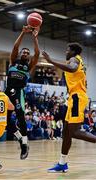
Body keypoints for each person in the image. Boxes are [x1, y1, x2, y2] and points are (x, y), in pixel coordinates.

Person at [42, 42, 96, 172]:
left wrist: (50, 61)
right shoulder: (80, 61)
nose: (66, 52)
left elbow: (72, 68)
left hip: (77, 97)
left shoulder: (74, 59)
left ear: (73, 52)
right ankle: (62, 163)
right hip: (74, 98)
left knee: (74, 132)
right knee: (66, 132)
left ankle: (62, 163)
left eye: (67, 50)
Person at [5, 25, 40, 159]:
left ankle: (25, 144)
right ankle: (19, 138)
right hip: (7, 92)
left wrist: (35, 38)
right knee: (6, 122)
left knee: (20, 118)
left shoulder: (29, 66)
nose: (25, 53)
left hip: (19, 92)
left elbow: (37, 54)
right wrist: (22, 33)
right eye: (23, 52)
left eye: (27, 52)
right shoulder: (13, 62)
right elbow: (15, 48)